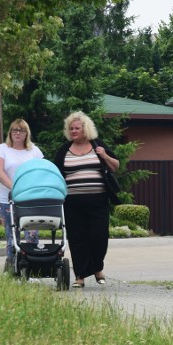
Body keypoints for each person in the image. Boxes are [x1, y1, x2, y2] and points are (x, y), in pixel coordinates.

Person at [52, 111, 120, 288]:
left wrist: (104, 156)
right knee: (77, 239)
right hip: (72, 204)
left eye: (77, 128)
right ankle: (80, 276)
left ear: (86, 129)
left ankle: (97, 268)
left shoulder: (98, 145)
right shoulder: (64, 150)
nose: (73, 131)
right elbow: (56, 175)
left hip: (98, 202)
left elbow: (115, 167)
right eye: (71, 128)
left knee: (99, 237)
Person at [0, 118, 44, 270]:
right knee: (11, 235)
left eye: (21, 130)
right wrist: (15, 188)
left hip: (30, 198)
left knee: (32, 234)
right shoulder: (2, 149)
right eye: (15, 130)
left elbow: (41, 171)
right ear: (10, 132)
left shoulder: (34, 151)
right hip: (7, 199)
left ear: (26, 133)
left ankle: (32, 267)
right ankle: (12, 266)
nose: (17, 133)